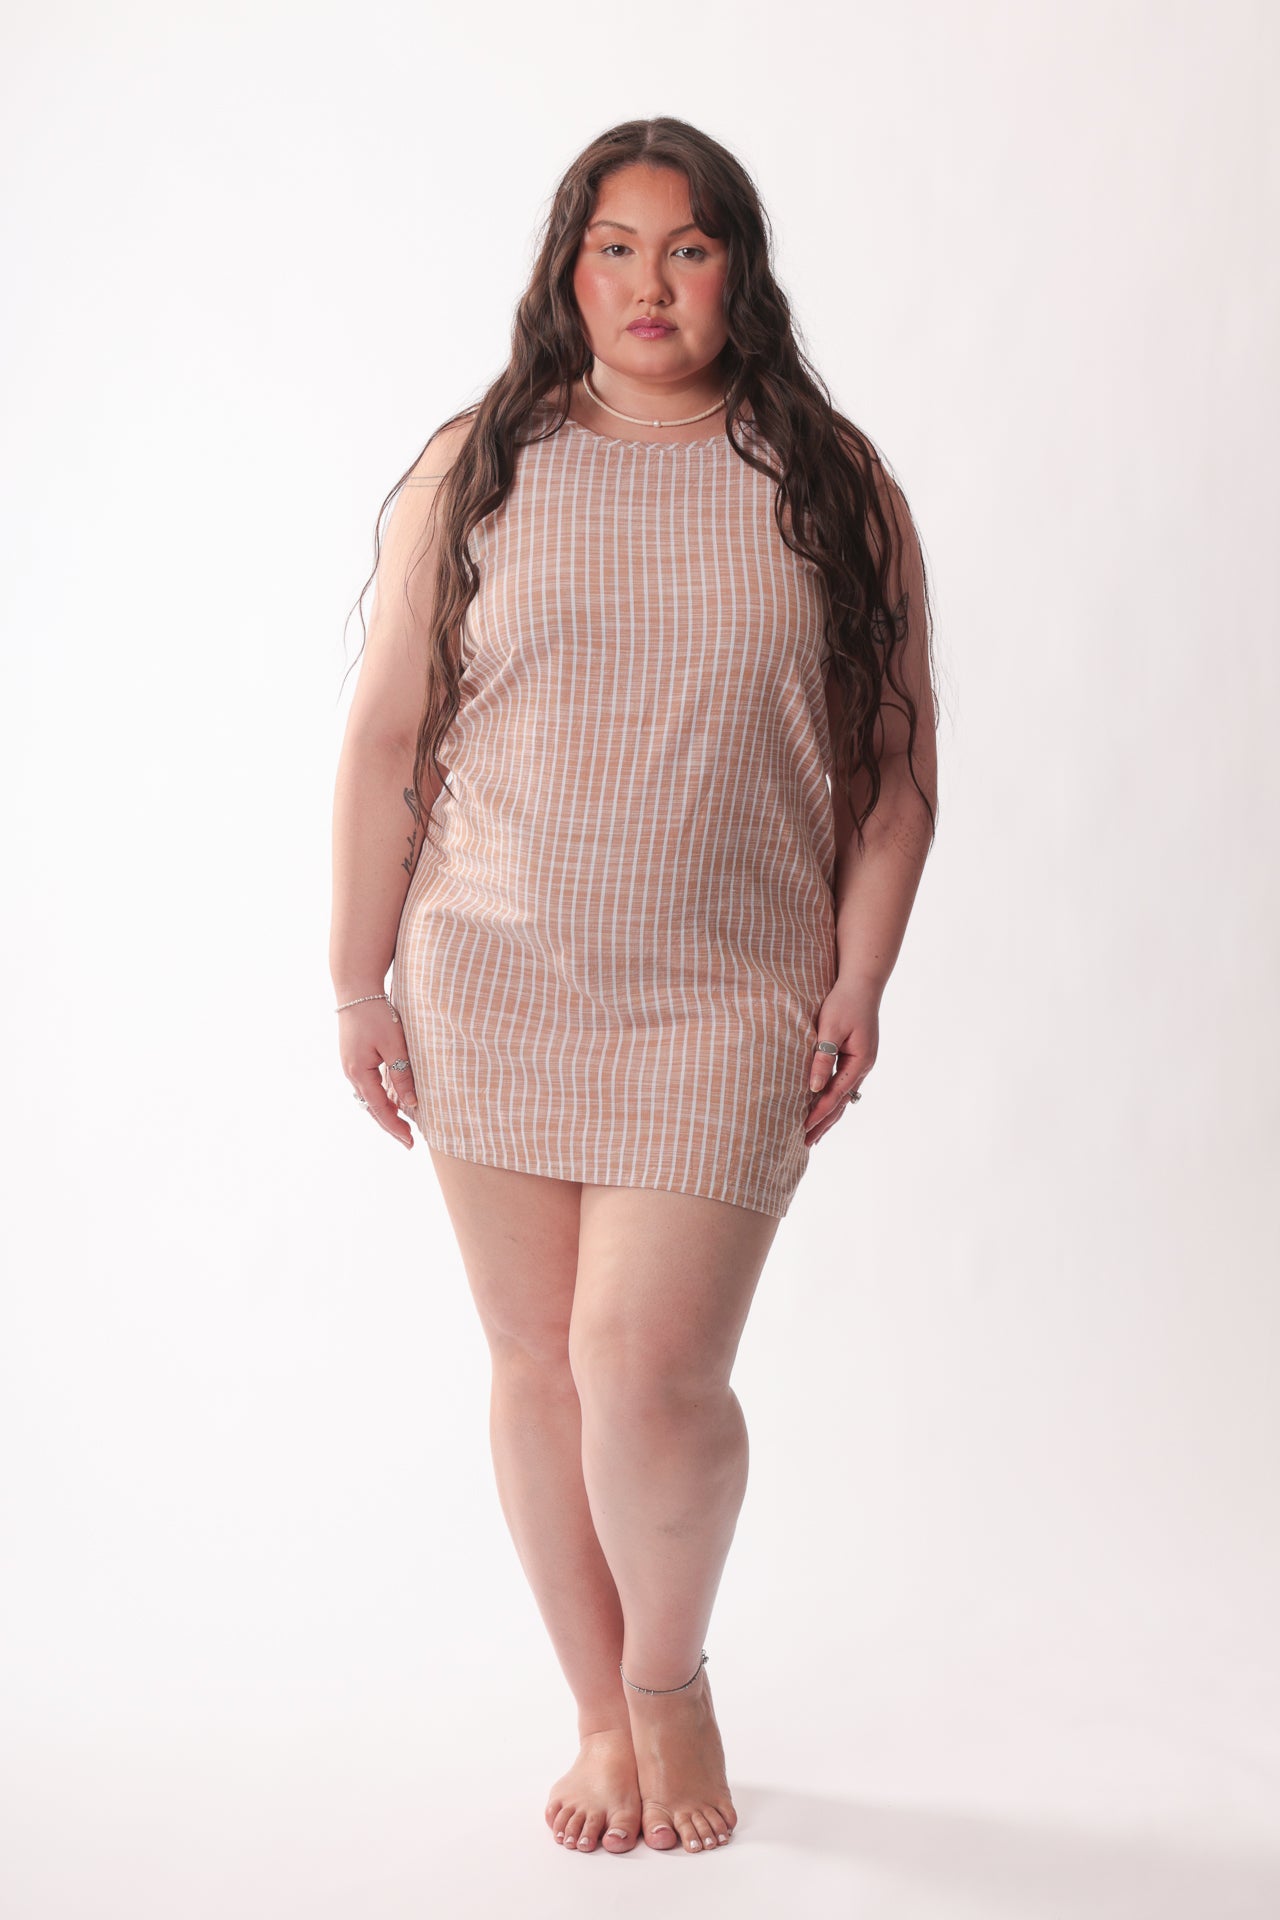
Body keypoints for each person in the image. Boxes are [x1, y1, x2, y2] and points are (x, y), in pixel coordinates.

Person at [330, 116, 939, 1859]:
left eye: (687, 247)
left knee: (644, 1366)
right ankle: (600, 1713)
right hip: (493, 966)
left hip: (728, 993)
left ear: (739, 267)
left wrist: (862, 973)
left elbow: (892, 773)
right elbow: (386, 736)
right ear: (567, 269)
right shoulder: (479, 464)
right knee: (538, 1361)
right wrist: (358, 980)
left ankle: (669, 1680)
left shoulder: (829, 479)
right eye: (614, 247)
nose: (649, 284)